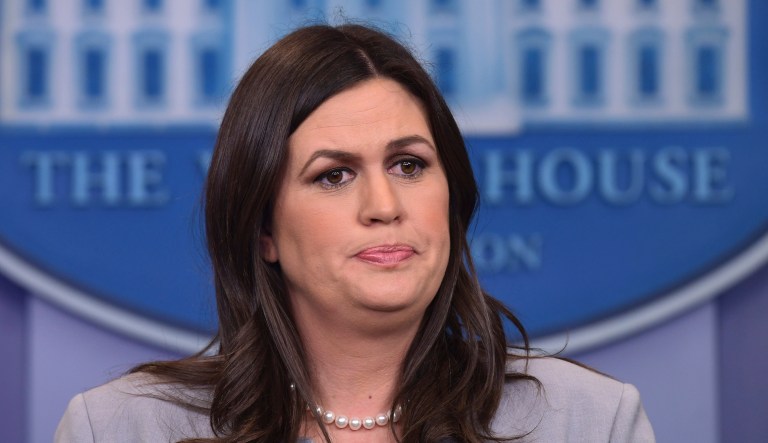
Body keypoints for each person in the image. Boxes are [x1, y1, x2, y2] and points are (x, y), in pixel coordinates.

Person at [55, 23, 654, 442]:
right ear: (263, 228)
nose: (384, 205)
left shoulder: (590, 422)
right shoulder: (119, 428)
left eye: (410, 165)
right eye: (334, 175)